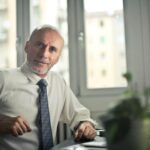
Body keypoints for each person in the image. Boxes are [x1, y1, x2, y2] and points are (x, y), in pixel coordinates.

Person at [0, 25, 96, 150]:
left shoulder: (58, 82)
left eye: (52, 49)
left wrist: (85, 125)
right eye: (40, 45)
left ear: (58, 57)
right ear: (27, 46)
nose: (44, 54)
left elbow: (78, 115)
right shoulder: (3, 78)